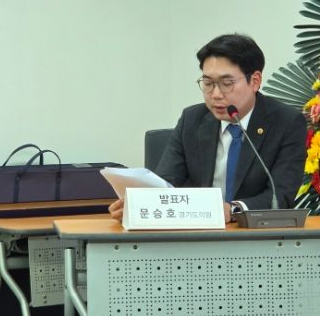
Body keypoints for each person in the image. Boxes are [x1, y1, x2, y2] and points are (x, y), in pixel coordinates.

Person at [109, 33, 307, 223]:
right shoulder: (192, 119)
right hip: (196, 233)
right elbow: (167, 182)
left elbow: (281, 195)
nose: (216, 94)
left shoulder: (286, 122)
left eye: (227, 83)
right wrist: (139, 204)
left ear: (255, 81)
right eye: (208, 83)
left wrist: (233, 210)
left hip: (255, 235)